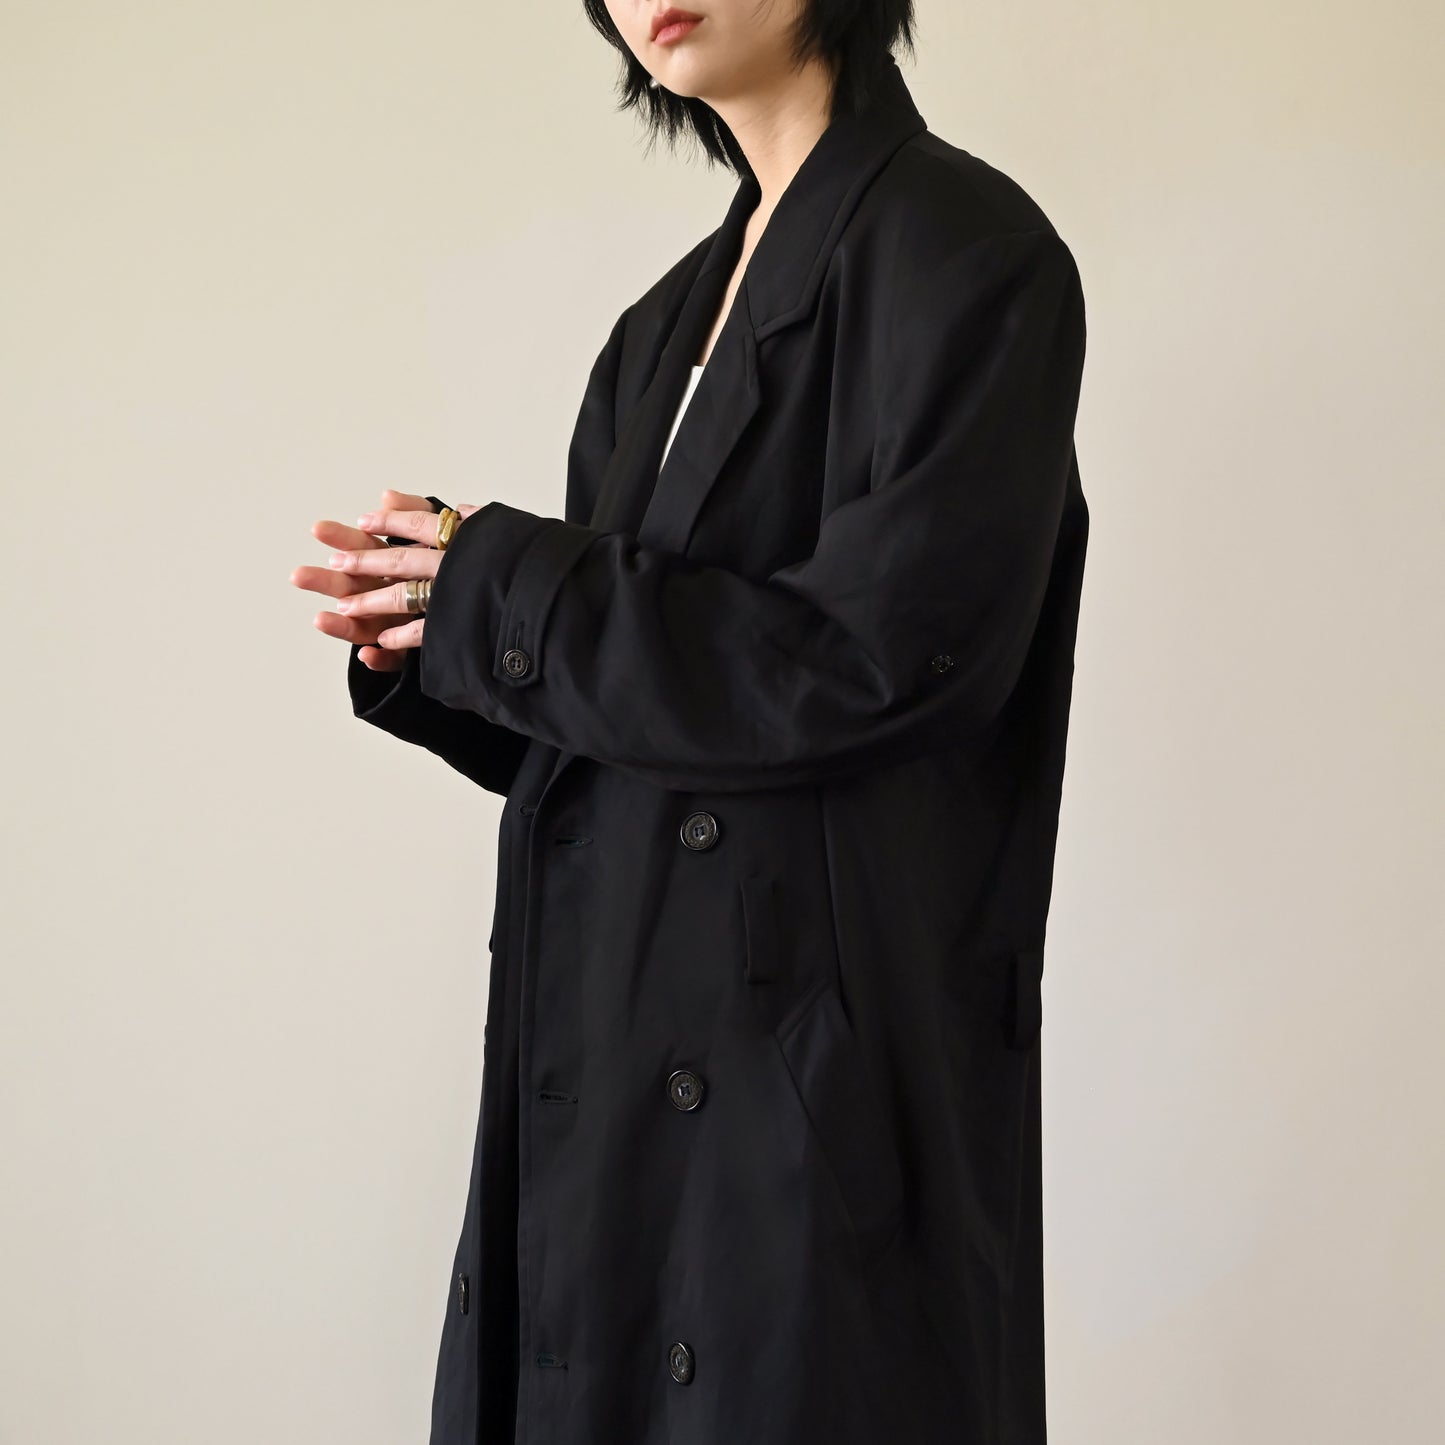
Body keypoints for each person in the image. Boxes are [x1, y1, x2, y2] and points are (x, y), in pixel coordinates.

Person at [292, 3, 1088, 1443]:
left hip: (803, 1113)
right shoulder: (656, 332)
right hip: (604, 1074)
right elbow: (655, 720)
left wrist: (512, 592)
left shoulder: (968, 254)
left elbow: (877, 662)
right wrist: (438, 640)